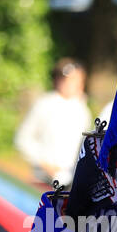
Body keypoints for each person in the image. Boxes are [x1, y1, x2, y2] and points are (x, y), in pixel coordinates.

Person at [15, 58, 91, 187]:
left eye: (75, 80)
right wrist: (44, 163)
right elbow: (23, 139)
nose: (69, 83)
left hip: (69, 182)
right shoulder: (45, 104)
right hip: (43, 179)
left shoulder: (83, 110)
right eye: (65, 79)